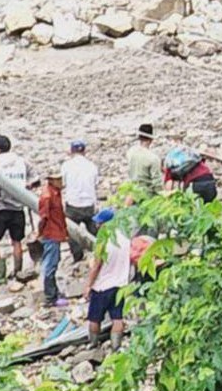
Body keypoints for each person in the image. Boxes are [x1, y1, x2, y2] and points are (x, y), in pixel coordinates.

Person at [0, 134, 32, 285]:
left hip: (1, 209)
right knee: (17, 241)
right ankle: (18, 272)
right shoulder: (21, 161)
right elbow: (34, 180)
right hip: (18, 208)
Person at [84, 208, 131, 347]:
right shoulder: (125, 238)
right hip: (120, 284)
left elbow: (96, 266)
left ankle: (93, 343)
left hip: (102, 286)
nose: (97, 226)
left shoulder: (103, 241)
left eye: (100, 223)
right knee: (117, 317)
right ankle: (116, 346)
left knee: (94, 318)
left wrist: (88, 285)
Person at [61, 138, 100, 261]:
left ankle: (77, 256)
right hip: (89, 203)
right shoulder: (92, 166)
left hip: (73, 203)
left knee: (72, 232)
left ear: (71, 151)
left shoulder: (66, 166)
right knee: (93, 229)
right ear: (84, 151)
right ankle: (98, 252)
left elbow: (63, 183)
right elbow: (95, 183)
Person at [36, 170, 70, 307]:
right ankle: (50, 297)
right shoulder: (47, 196)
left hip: (55, 232)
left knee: (54, 263)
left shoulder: (55, 193)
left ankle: (53, 292)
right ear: (51, 180)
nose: (62, 182)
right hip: (51, 233)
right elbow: (43, 217)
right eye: (59, 179)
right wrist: (40, 233)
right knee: (50, 265)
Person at [125, 124, 160, 190]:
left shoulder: (130, 152)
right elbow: (157, 182)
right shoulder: (153, 158)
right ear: (151, 140)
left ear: (139, 138)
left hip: (132, 187)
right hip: (146, 191)